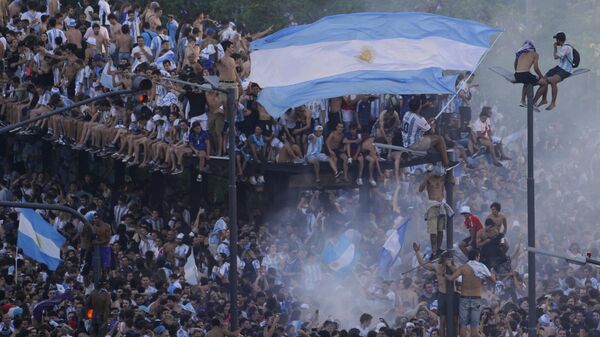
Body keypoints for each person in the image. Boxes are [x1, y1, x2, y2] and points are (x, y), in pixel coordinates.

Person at [446, 249, 496, 337]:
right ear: (476, 256)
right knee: (474, 329)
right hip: (476, 299)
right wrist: (493, 273)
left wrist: (443, 274)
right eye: (479, 256)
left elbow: (451, 278)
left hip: (464, 298)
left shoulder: (464, 267)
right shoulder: (481, 267)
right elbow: (493, 280)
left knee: (463, 326)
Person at [402, 97, 459, 171]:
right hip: (414, 145)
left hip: (406, 142)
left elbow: (419, 125)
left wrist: (428, 122)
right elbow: (431, 131)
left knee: (433, 139)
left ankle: (442, 154)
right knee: (439, 138)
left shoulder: (407, 114)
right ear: (419, 107)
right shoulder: (419, 118)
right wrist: (432, 125)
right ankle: (446, 164)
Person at [418, 164, 455, 259]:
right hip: (432, 206)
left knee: (440, 230)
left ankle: (438, 249)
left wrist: (451, 179)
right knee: (433, 232)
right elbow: (420, 189)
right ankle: (434, 252)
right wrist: (427, 178)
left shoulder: (443, 177)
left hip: (441, 205)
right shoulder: (429, 178)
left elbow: (452, 182)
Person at [536, 32, 574, 110]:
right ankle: (544, 99)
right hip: (559, 67)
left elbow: (555, 57)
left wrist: (555, 47)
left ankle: (553, 103)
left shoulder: (566, 48)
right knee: (544, 79)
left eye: (556, 39)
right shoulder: (563, 47)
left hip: (566, 70)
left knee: (553, 81)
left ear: (559, 40)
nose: (556, 41)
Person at [513, 40, 547, 107]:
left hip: (517, 75)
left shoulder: (520, 53)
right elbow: (536, 68)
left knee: (526, 82)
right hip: (525, 75)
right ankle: (533, 103)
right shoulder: (535, 54)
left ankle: (522, 101)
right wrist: (541, 77)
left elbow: (515, 65)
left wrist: (520, 71)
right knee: (544, 84)